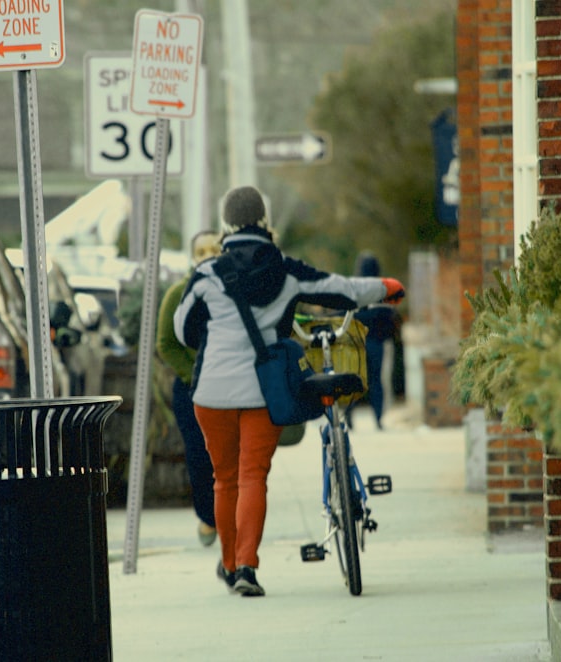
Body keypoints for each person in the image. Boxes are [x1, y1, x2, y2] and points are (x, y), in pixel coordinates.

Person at [173, 186, 405, 597]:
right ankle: (246, 566)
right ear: (265, 222)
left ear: (226, 225)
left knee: (224, 479)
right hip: (264, 391)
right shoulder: (285, 270)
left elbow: (182, 328)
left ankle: (229, 566)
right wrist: (385, 287)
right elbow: (341, 289)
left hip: (211, 393)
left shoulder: (208, 273)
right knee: (252, 477)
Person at [156, 230, 221, 547]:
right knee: (199, 455)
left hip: (229, 385)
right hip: (191, 389)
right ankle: (209, 518)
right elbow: (166, 344)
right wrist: (193, 373)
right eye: (201, 250)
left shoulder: (232, 292)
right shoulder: (178, 293)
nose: (208, 255)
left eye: (215, 249)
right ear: (192, 256)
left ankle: (230, 516)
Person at [347, 252, 401, 430]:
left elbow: (346, 316)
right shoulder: (382, 289)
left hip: (357, 344)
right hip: (377, 342)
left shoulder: (353, 288)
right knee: (376, 382)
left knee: (354, 381)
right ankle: (378, 419)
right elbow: (391, 317)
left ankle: (349, 418)